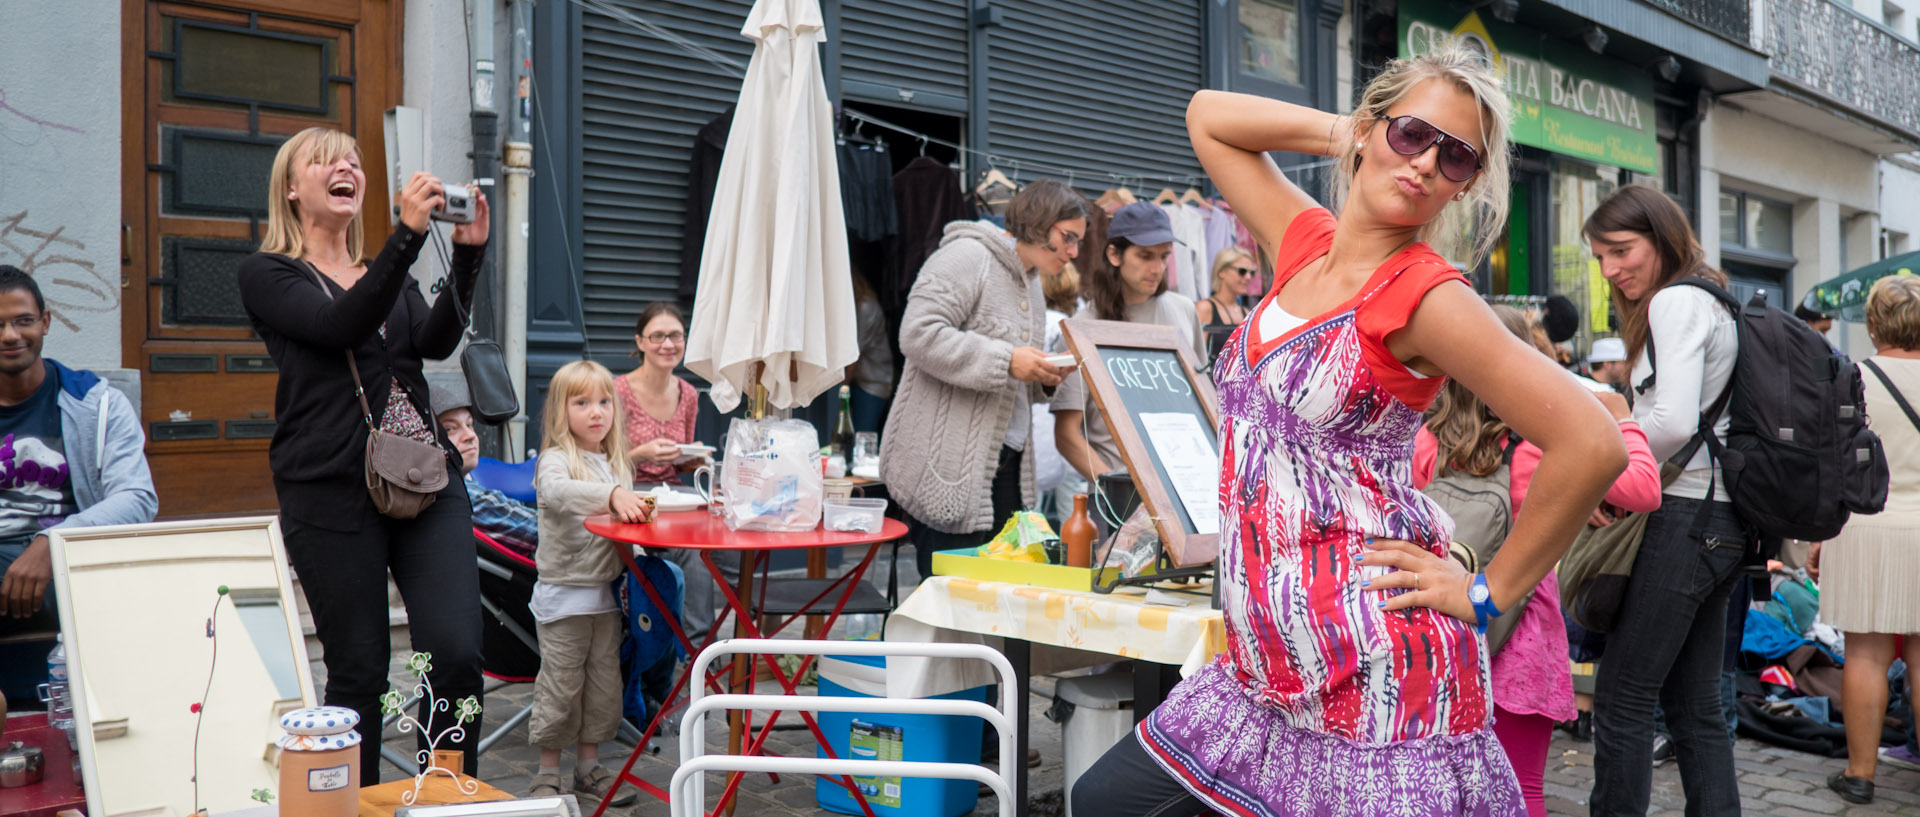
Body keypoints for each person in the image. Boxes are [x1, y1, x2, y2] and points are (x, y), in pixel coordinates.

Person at [1073, 48, 1627, 817]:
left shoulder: (1428, 295)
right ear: (1369, 130)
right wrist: (1352, 131)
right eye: (1412, 135)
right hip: (1263, 665)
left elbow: (1593, 444)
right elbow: (1209, 117)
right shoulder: (1305, 241)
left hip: (1372, 669)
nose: (1428, 163)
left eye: (1456, 156)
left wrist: (1488, 591)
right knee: (1106, 801)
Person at [237, 127, 487, 778]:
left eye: (353, 159)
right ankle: (354, 800)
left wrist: (468, 256)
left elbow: (432, 343)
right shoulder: (268, 273)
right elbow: (336, 326)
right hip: (328, 487)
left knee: (456, 653)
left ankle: (447, 792)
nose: (346, 166)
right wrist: (404, 239)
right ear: (292, 189)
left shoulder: (382, 272)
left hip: (422, 473)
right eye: (325, 160)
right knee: (359, 670)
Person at [1413, 305, 1662, 817]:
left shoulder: (1426, 442)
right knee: (1521, 786)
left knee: (1443, 782)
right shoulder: (1538, 450)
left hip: (1444, 628)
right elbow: (1644, 488)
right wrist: (1620, 415)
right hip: (1519, 631)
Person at [1582, 184, 1743, 817]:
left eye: (1623, 250)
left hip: (1683, 518)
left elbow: (1672, 421)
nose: (1611, 270)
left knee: (1622, 700)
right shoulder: (1713, 295)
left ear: (1662, 236)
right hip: (1725, 519)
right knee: (1696, 707)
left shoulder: (1676, 300)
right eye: (1600, 257)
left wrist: (1598, 466)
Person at [880, 178, 1086, 579]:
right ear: (1039, 224)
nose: (1075, 252)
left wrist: (1044, 375)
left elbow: (1010, 374)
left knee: (993, 605)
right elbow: (917, 333)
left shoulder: (1031, 282)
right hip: (948, 466)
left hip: (1005, 468)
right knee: (948, 609)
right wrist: (1009, 360)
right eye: (1068, 237)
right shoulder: (966, 256)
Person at [0, 265, 157, 634]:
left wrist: (51, 543)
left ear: (46, 322)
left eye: (23, 321)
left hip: (72, 557)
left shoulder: (97, 403)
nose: (10, 335)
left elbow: (137, 497)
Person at [529, 360, 653, 804]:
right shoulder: (556, 460)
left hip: (606, 600)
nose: (596, 412)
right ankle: (547, 772)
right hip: (564, 601)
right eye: (582, 403)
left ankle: (587, 767)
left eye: (604, 402)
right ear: (562, 411)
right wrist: (612, 495)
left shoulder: (614, 462)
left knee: (603, 689)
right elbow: (558, 493)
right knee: (561, 689)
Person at [1819, 274, 1920, 805]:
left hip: (1863, 523)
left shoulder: (1851, 377)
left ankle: (1860, 774)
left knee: (1864, 654)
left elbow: (1828, 460)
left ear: (1874, 322)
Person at [1054, 203, 1205, 485]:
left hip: (1189, 489)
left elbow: (1202, 404)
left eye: (1164, 256)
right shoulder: (1084, 325)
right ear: (1114, 254)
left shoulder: (1185, 310)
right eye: (1146, 256)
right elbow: (1066, 434)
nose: (1157, 268)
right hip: (1120, 497)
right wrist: (1114, 489)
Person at [433, 383, 538, 559]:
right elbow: (545, 535)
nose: (470, 435)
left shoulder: (466, 484)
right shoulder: (461, 494)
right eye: (450, 429)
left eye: (470, 424)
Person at [614, 302, 701, 485]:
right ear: (640, 342)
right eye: (657, 336)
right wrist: (640, 455)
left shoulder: (688, 394)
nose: (668, 344)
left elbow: (678, 467)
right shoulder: (617, 391)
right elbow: (597, 465)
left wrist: (693, 457)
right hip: (624, 493)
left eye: (675, 336)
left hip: (672, 495)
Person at [848, 271, 895, 433]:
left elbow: (854, 354)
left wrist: (841, 389)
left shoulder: (865, 307)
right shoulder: (860, 305)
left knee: (862, 437)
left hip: (873, 383)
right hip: (861, 379)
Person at [1197, 247, 1257, 361]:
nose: (1248, 277)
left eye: (1252, 273)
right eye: (1242, 271)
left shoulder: (1247, 312)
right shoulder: (1205, 308)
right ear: (1222, 272)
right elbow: (1196, 356)